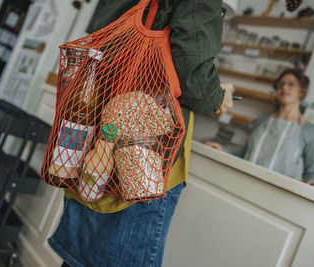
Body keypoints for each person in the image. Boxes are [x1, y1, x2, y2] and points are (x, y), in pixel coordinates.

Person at [48, 1, 233, 267]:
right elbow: (195, 79)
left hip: (98, 131)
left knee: (82, 258)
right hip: (143, 149)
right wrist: (217, 97)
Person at [206, 69, 314, 187]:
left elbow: (312, 172)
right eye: (280, 84)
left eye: (291, 84)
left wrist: (312, 183)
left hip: (274, 194)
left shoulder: (311, 132)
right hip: (240, 182)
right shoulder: (261, 121)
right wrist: (222, 151)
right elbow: (244, 153)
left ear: (302, 92)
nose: (284, 88)